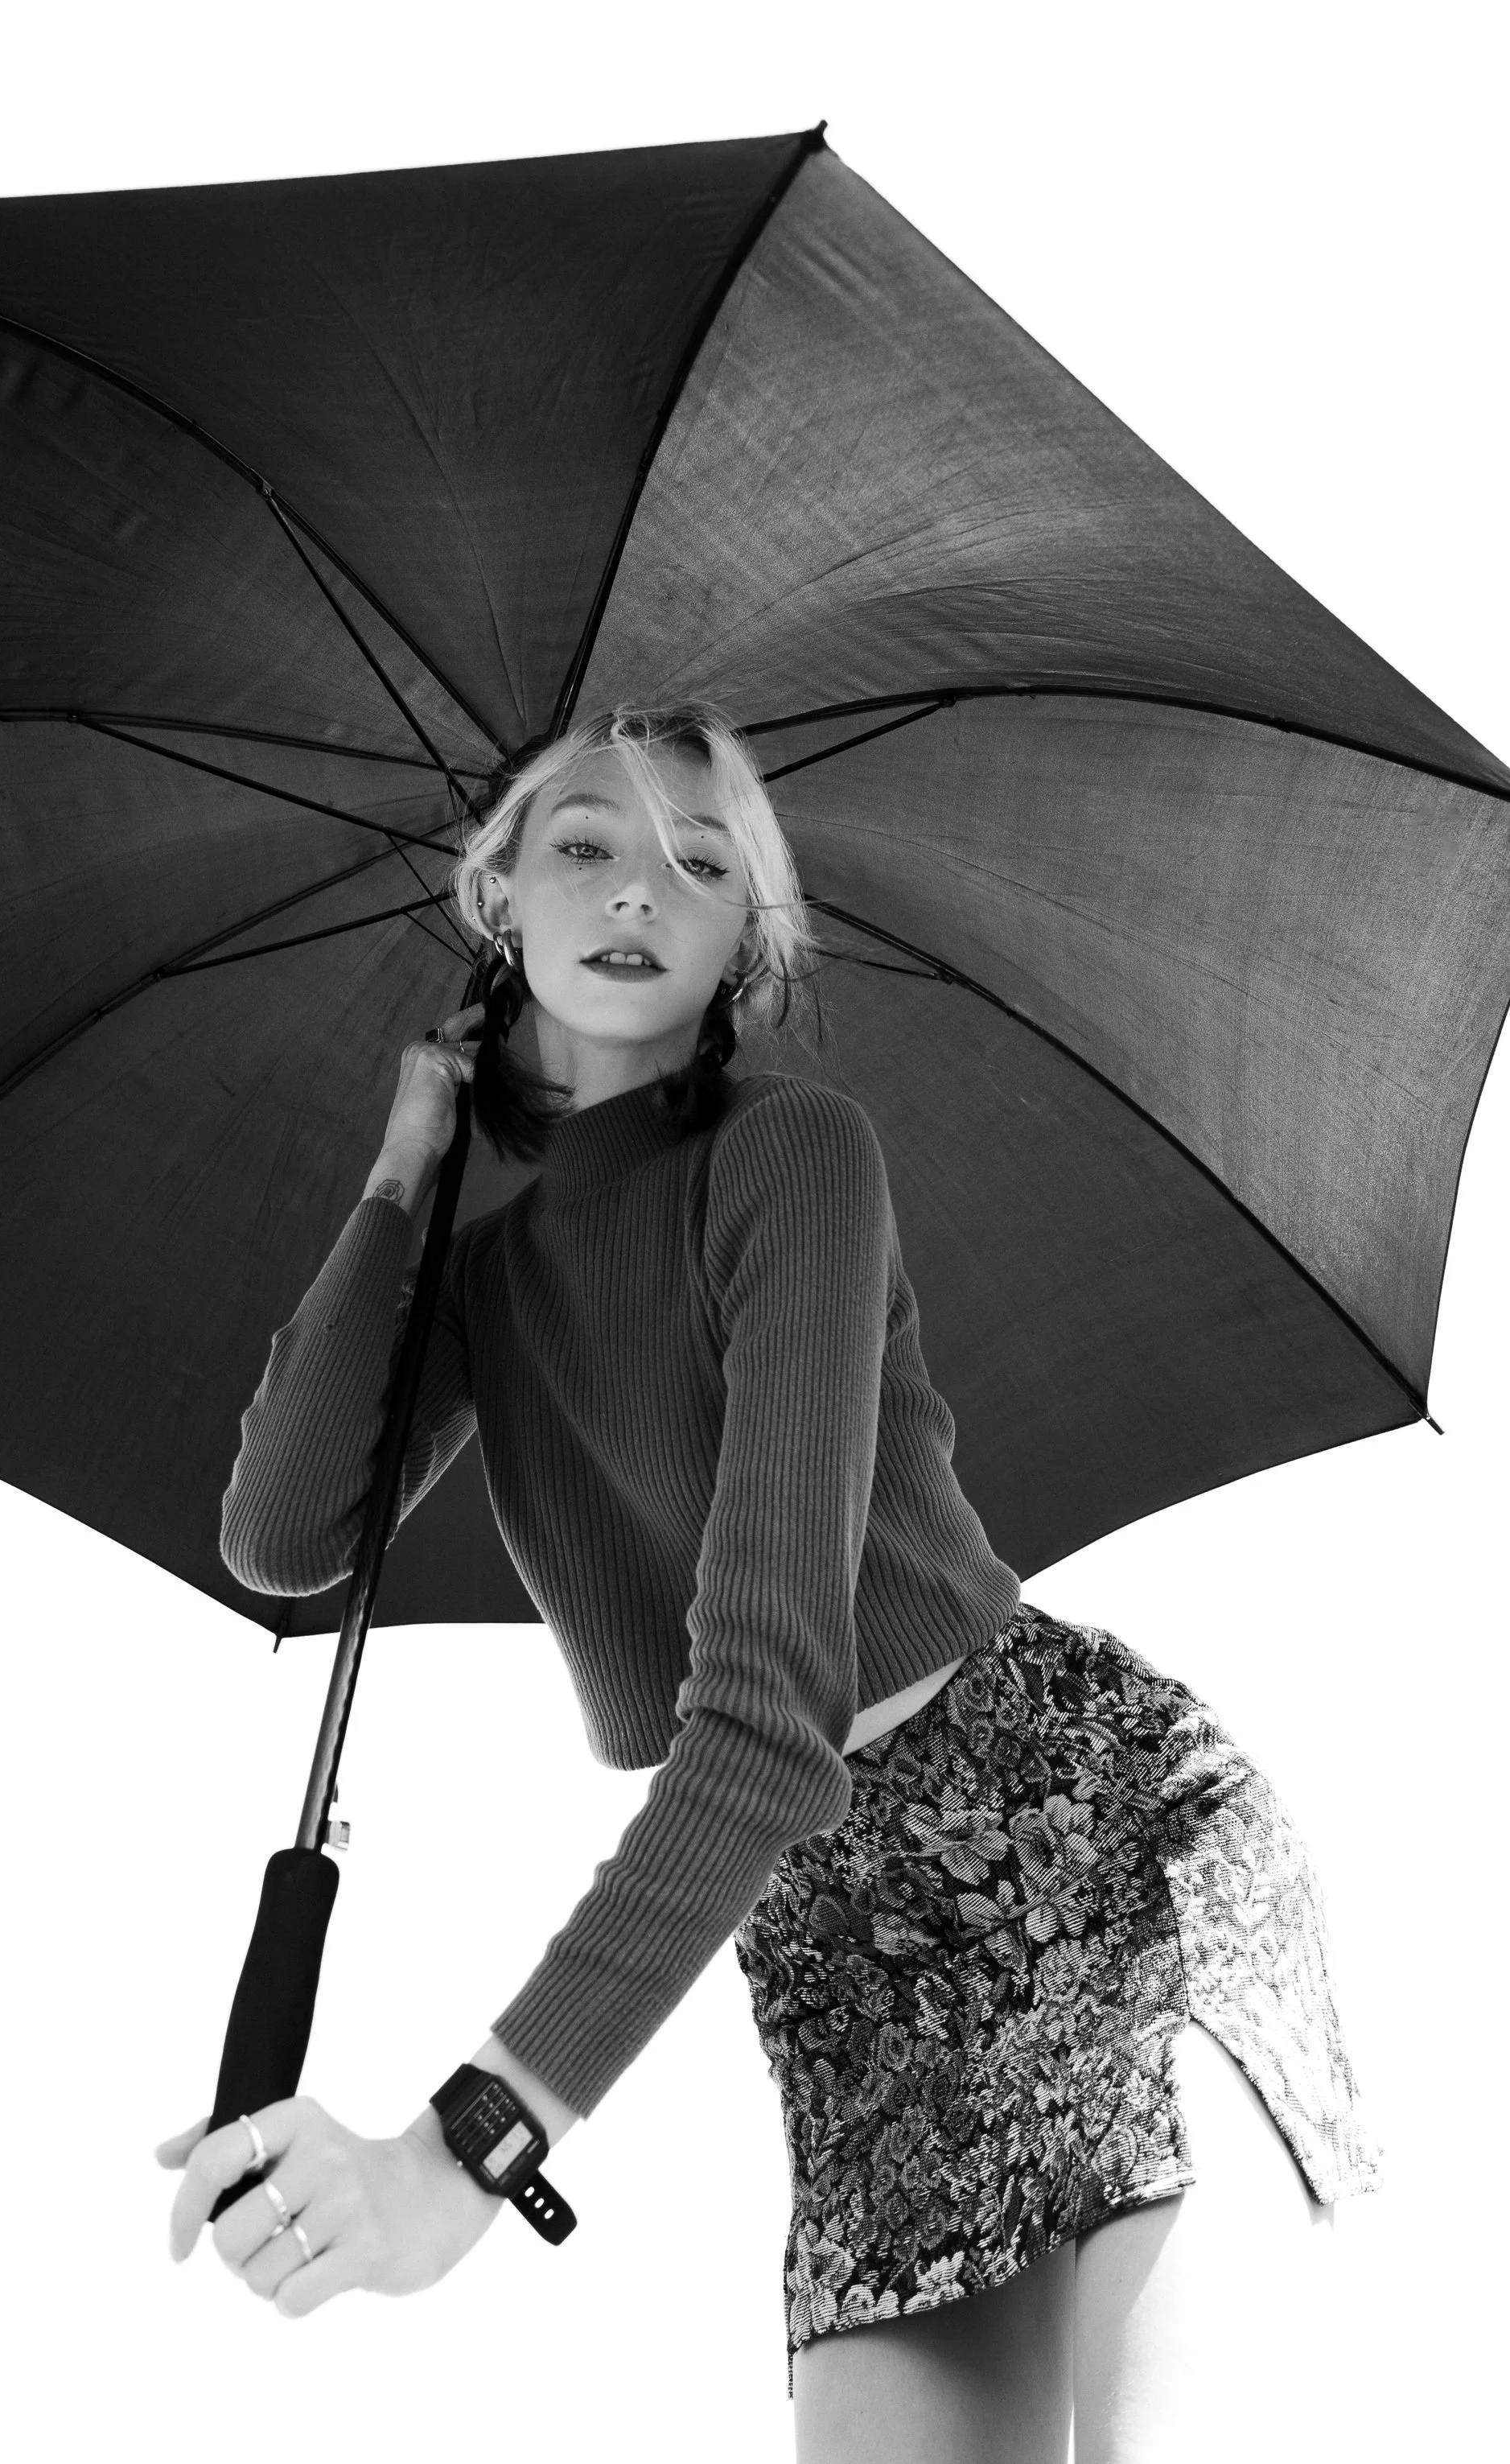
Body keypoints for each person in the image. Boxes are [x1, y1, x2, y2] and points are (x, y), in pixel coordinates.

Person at [158, 699, 1379, 2462]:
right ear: (497, 900)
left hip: (1095, 1857)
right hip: (837, 1965)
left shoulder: (792, 1157)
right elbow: (283, 1536)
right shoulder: (485, 1278)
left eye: (698, 859)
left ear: (747, 933)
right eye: (583, 843)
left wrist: (454, 2153)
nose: (635, 888)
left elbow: (759, 1725)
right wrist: (404, 1169)